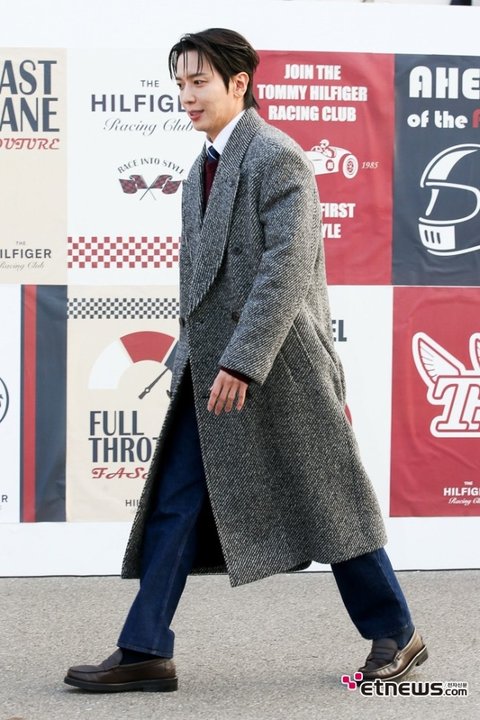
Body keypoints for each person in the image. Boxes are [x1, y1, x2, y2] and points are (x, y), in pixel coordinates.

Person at [64, 28, 427, 693]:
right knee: (175, 501)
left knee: (329, 501)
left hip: (282, 369)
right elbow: (202, 283)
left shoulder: (277, 156)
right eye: (179, 83)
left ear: (240, 82)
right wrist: (189, 353)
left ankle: (397, 633)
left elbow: (283, 271)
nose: (186, 95)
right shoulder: (198, 169)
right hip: (212, 367)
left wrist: (243, 361)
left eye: (198, 81)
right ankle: (145, 647)